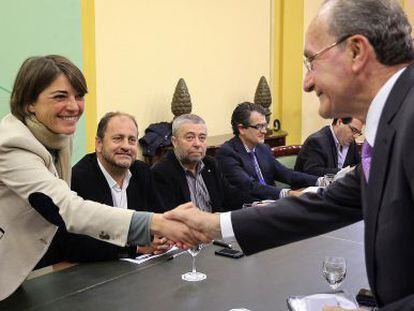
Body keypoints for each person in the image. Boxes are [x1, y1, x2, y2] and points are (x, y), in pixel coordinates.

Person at [165, 0, 414, 309]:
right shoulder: (395, 118)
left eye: (312, 61)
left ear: (356, 52)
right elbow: (326, 204)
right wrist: (214, 224)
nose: (308, 83)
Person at [0, 55, 206, 301]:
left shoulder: (57, 135)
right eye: (60, 96)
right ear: (29, 103)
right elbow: (68, 209)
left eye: (79, 96)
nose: (74, 106)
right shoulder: (13, 145)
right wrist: (156, 224)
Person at [65, 112, 170, 262]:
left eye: (132, 140)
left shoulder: (142, 171)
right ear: (99, 144)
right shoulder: (78, 178)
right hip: (94, 271)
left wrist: (162, 238)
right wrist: (136, 248)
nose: (126, 146)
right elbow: (74, 244)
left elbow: (159, 215)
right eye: (118, 139)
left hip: (140, 267)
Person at [216, 102, 323, 200]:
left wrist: (320, 181)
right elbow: (249, 186)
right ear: (241, 129)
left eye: (265, 125)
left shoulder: (263, 149)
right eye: (259, 126)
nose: (264, 131)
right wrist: (289, 193)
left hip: (271, 206)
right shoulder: (227, 153)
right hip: (247, 210)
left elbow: (287, 174)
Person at [152, 114, 256, 212]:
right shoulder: (161, 172)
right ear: (175, 142)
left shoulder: (210, 164)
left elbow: (231, 196)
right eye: (190, 137)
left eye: (202, 138)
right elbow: (170, 219)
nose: (197, 144)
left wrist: (255, 205)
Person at [294, 117, 363, 176]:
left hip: (336, 189)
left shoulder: (351, 143)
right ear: (339, 122)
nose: (355, 136)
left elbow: (357, 166)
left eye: (358, 133)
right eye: (354, 130)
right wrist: (345, 172)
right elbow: (312, 172)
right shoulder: (316, 141)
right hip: (307, 189)